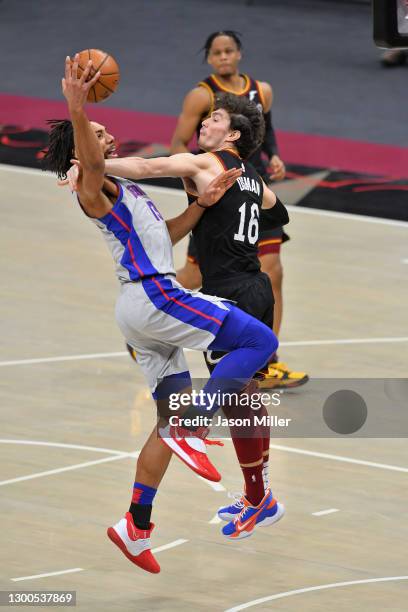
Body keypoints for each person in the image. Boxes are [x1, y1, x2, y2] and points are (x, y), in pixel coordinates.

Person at [47, 56, 283, 571]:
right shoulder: (95, 186)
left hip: (142, 309)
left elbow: (167, 238)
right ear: (83, 151)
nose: (107, 136)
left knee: (165, 421)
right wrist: (78, 109)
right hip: (153, 297)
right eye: (98, 133)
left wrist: (201, 205)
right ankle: (195, 426)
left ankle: (136, 524)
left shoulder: (126, 192)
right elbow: (91, 158)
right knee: (260, 343)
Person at [170, 30, 308, 389]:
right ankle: (154, 314)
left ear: (240, 53)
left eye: (229, 51)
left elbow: (267, 129)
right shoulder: (202, 95)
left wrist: (274, 155)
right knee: (195, 275)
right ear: (210, 59)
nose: (224, 58)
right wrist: (197, 181)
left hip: (252, 187)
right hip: (217, 197)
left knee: (272, 271)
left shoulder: (262, 90)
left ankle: (267, 360)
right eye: (216, 53)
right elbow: (177, 143)